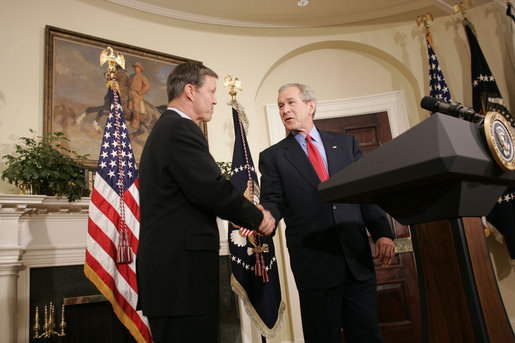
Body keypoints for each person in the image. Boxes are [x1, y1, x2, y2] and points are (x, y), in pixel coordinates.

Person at [137, 62, 275, 343]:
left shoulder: (167, 128)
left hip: (173, 279)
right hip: (181, 280)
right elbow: (212, 189)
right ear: (190, 91)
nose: (215, 99)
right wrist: (258, 218)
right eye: (211, 91)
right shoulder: (179, 130)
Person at [259, 83, 396, 343]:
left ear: (310, 106)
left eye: (290, 102)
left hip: (356, 261)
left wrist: (381, 233)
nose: (284, 110)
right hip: (314, 265)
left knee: (367, 336)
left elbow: (364, 191)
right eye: (280, 105)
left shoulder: (345, 144)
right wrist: (267, 216)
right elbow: (273, 200)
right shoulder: (273, 157)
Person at [129, 61, 151, 129]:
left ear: (140, 69)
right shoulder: (131, 76)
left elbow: (147, 86)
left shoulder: (142, 77)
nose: (135, 69)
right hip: (130, 92)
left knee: (135, 106)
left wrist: (140, 92)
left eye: (137, 67)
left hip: (137, 94)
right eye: (135, 67)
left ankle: (136, 121)